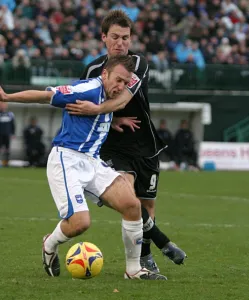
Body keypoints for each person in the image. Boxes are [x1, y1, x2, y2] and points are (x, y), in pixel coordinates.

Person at [0, 55, 166, 280]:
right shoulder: (86, 89)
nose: (120, 87)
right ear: (104, 74)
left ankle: (133, 270)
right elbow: (45, 96)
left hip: (92, 161)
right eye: (117, 80)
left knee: (132, 205)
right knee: (80, 223)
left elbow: (106, 110)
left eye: (125, 84)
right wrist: (7, 96)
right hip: (66, 160)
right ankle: (49, 244)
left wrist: (114, 120)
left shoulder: (109, 96)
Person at [66, 10, 186, 273]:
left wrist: (102, 112)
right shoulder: (93, 69)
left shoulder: (138, 64)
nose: (121, 43)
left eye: (126, 37)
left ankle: (146, 255)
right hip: (114, 145)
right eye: (115, 37)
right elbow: (86, 100)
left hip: (145, 144)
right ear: (103, 38)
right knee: (128, 196)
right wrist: (113, 121)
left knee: (148, 204)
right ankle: (152, 252)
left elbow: (121, 101)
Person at [0, 102, 15, 167]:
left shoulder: (10, 114)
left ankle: (6, 163)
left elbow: (13, 125)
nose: (2, 106)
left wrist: (13, 133)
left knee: (7, 149)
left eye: (4, 105)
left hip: (7, 134)